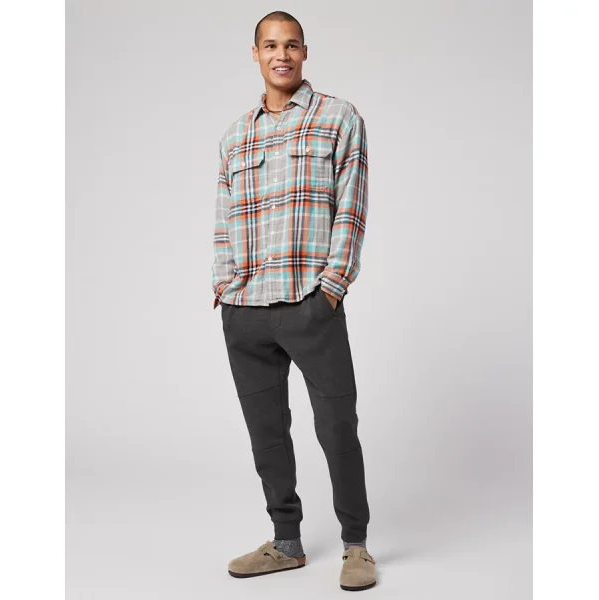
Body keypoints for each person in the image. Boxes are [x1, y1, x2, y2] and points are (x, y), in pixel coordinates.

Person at [211, 10, 376, 592]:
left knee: (337, 426)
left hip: (310, 303)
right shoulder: (236, 136)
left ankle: (356, 545)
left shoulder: (338, 117)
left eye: (291, 45)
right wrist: (224, 287)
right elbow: (223, 221)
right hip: (246, 311)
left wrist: (332, 287)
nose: (281, 55)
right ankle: (286, 543)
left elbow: (351, 207)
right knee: (267, 434)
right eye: (270, 45)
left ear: (305, 52)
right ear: (255, 53)